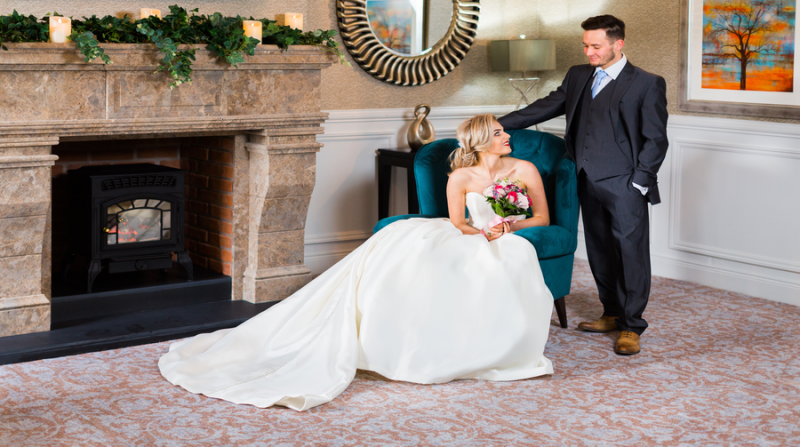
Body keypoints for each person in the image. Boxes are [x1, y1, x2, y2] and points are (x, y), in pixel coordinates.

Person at [159, 114, 555, 411]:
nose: (508, 137)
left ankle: (495, 347)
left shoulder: (524, 169)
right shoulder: (461, 176)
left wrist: (508, 230)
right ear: (483, 140)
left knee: (511, 258)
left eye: (505, 131)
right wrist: (482, 234)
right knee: (410, 253)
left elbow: (542, 218)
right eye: (501, 133)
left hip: (509, 236)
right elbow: (457, 223)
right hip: (471, 235)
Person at [498, 15, 669, 355]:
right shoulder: (578, 75)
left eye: (596, 46)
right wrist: (496, 123)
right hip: (585, 178)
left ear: (618, 44)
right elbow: (547, 106)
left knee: (630, 253)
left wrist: (639, 182)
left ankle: (632, 326)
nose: (589, 52)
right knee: (599, 248)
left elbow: (656, 139)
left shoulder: (647, 83)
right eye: (586, 46)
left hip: (625, 183)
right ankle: (610, 312)